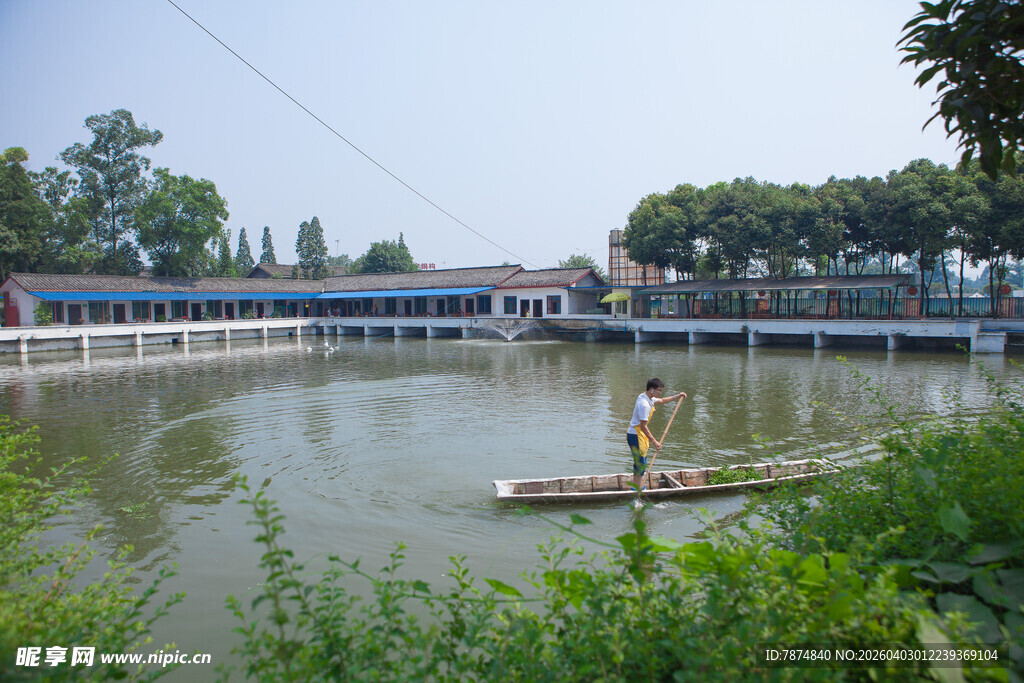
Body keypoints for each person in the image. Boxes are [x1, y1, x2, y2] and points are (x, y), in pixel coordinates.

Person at [627, 378, 686, 491]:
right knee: (640, 463)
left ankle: (637, 487)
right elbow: (644, 426)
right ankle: (637, 490)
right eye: (659, 390)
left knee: (641, 462)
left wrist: (677, 397)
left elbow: (662, 401)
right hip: (636, 435)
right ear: (652, 389)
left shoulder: (648, 397)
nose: (660, 393)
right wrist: (655, 442)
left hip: (639, 434)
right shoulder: (644, 404)